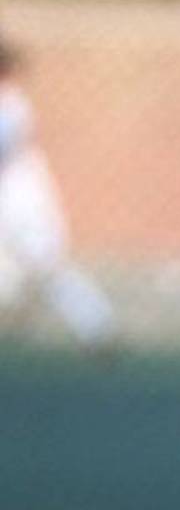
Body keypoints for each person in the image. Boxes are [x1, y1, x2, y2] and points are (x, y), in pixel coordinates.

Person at [0, 36, 116, 351]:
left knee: (47, 265)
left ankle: (97, 327)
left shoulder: (13, 107)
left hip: (22, 205)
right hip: (10, 205)